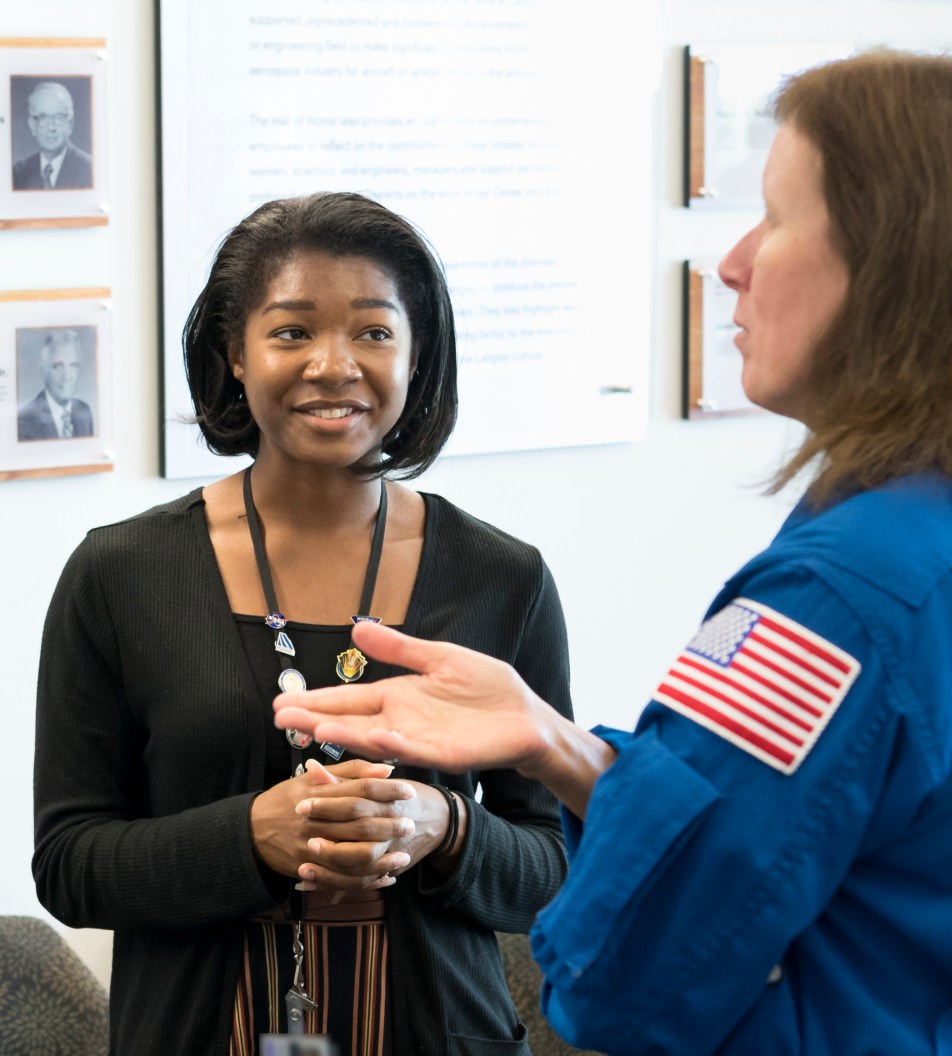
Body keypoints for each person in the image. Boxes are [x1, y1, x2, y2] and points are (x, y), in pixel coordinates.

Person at [276, 53, 952, 1056]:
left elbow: (627, 979)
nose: (733, 262)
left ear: (898, 268)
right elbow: (832, 851)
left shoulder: (843, 597)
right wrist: (551, 740)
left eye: (777, 218)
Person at [32, 192, 573, 1056]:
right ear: (233, 355)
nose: (335, 365)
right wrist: (251, 834)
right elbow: (68, 865)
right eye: (291, 332)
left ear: (417, 351)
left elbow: (556, 865)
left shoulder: (502, 578)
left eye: (373, 332)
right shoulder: (120, 574)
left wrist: (444, 826)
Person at [12, 81, 94, 191]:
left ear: (70, 124)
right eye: (43, 117)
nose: (51, 127)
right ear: (32, 126)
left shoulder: (90, 169)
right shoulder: (19, 172)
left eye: (59, 117)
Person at [17, 328, 95, 441]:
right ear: (44, 371)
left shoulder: (84, 410)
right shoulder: (25, 421)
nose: (67, 377)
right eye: (58, 366)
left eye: (73, 366)